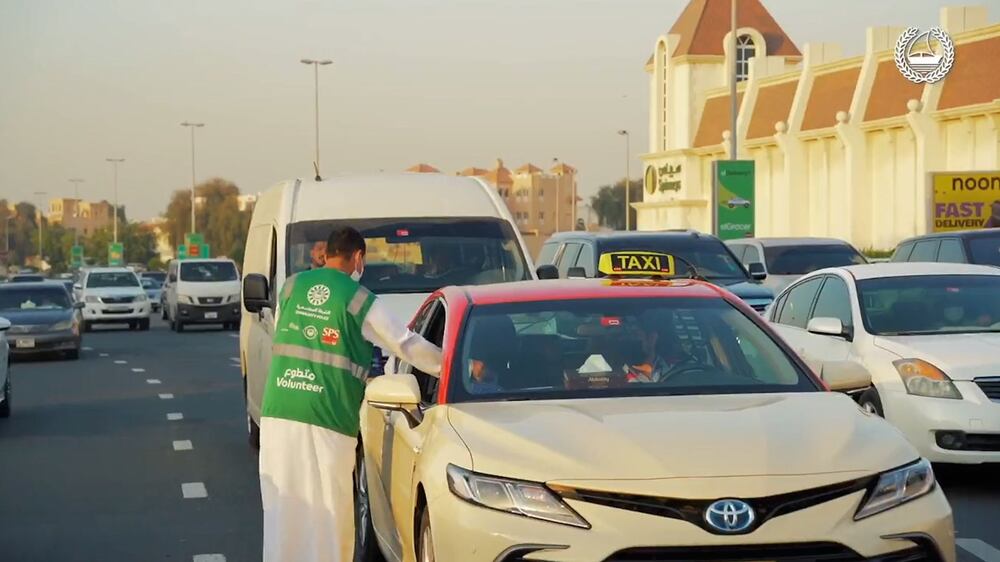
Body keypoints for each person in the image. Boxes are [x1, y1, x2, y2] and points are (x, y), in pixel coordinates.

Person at [258, 227, 442, 562]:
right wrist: (451, 365)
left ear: (326, 254)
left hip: (277, 412)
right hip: (327, 416)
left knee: (283, 509)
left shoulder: (291, 287)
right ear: (358, 257)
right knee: (330, 514)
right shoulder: (359, 299)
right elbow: (406, 344)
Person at [623, 313, 688, 383]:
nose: (630, 340)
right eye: (626, 337)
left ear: (652, 338)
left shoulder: (678, 373)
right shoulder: (617, 376)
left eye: (635, 335)